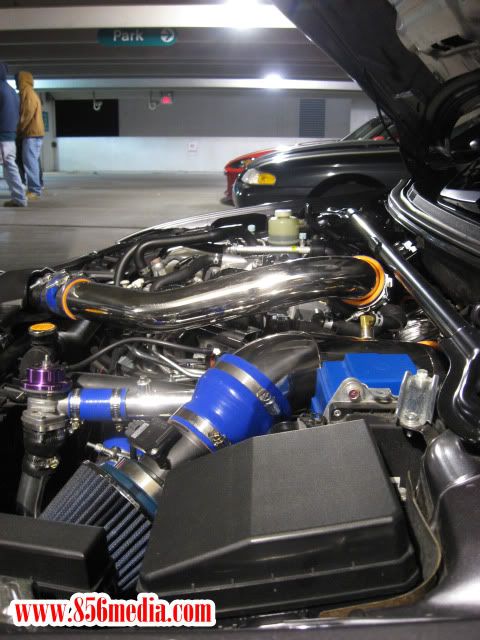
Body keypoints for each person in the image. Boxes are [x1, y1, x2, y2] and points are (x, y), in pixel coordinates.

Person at [0, 63, 27, 207]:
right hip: (10, 135)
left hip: (1, 135)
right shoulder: (11, 91)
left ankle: (19, 198)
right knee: (10, 167)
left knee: (9, 167)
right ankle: (19, 197)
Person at [16, 70, 44, 200]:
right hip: (33, 133)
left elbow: (27, 112)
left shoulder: (28, 93)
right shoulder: (28, 92)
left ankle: (34, 190)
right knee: (32, 161)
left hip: (31, 133)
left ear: (22, 80)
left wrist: (19, 128)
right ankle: (35, 188)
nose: (16, 82)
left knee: (30, 162)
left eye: (17, 79)